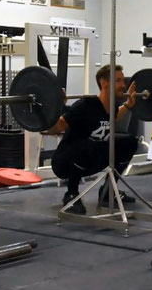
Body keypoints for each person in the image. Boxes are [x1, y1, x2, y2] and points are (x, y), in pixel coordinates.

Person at [50, 64, 139, 214]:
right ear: (103, 82)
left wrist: (128, 106)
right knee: (88, 143)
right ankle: (71, 193)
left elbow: (115, 117)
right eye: (118, 81)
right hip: (65, 162)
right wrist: (54, 108)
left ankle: (108, 191)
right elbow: (56, 128)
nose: (123, 85)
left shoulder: (111, 107)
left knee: (129, 142)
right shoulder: (85, 105)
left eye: (123, 81)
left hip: (91, 158)